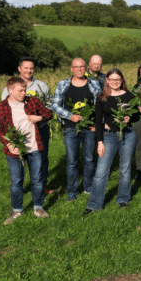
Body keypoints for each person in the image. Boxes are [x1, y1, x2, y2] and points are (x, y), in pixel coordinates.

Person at [0, 77, 53, 224]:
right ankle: (17, 210)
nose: (23, 93)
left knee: (37, 180)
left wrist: (38, 117)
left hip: (34, 148)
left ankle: (38, 207)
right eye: (20, 90)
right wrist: (9, 145)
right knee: (16, 181)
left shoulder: (32, 101)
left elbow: (49, 114)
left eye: (24, 89)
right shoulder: (1, 107)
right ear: (10, 90)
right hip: (15, 151)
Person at [84, 69, 140, 215]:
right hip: (108, 136)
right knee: (101, 170)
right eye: (112, 79)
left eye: (118, 79)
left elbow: (136, 116)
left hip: (127, 135)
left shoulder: (129, 96)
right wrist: (100, 142)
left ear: (122, 80)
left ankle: (123, 198)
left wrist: (129, 118)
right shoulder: (102, 97)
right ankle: (95, 204)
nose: (115, 82)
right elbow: (98, 121)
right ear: (107, 80)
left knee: (125, 168)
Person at [0, 57, 54, 194]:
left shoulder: (42, 86)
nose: (29, 70)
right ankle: (19, 189)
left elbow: (50, 105)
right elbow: (5, 110)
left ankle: (41, 185)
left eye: (31, 68)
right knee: (19, 158)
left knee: (42, 157)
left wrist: (39, 118)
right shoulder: (9, 88)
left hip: (40, 128)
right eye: (26, 68)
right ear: (19, 69)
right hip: (18, 132)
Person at [51, 58, 102, 201]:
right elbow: (55, 105)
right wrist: (70, 116)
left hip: (89, 128)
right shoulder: (63, 84)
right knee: (72, 161)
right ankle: (72, 190)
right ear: (71, 69)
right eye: (76, 67)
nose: (79, 69)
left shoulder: (94, 83)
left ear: (86, 68)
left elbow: (99, 105)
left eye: (82, 67)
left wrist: (97, 124)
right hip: (71, 128)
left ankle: (88, 186)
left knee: (89, 159)